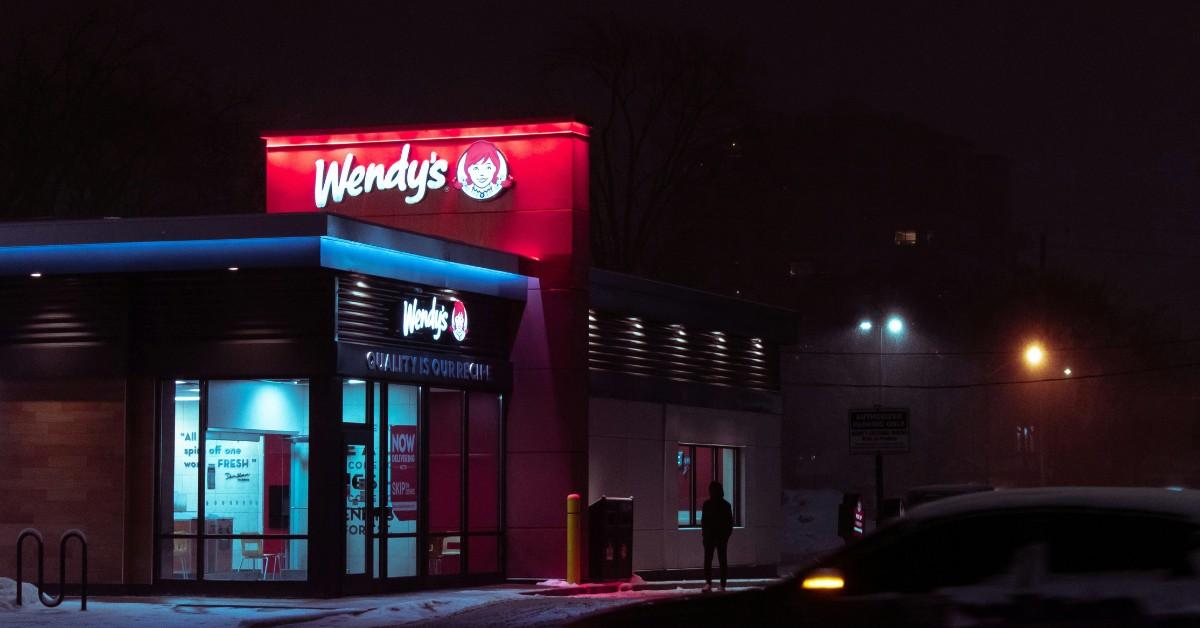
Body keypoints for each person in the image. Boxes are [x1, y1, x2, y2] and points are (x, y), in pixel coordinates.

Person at [701, 480, 734, 591]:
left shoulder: (707, 505)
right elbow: (729, 524)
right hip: (718, 537)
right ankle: (722, 584)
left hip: (714, 537)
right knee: (721, 560)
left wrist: (705, 536)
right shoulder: (726, 505)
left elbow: (704, 523)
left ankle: (709, 583)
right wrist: (725, 536)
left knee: (709, 560)